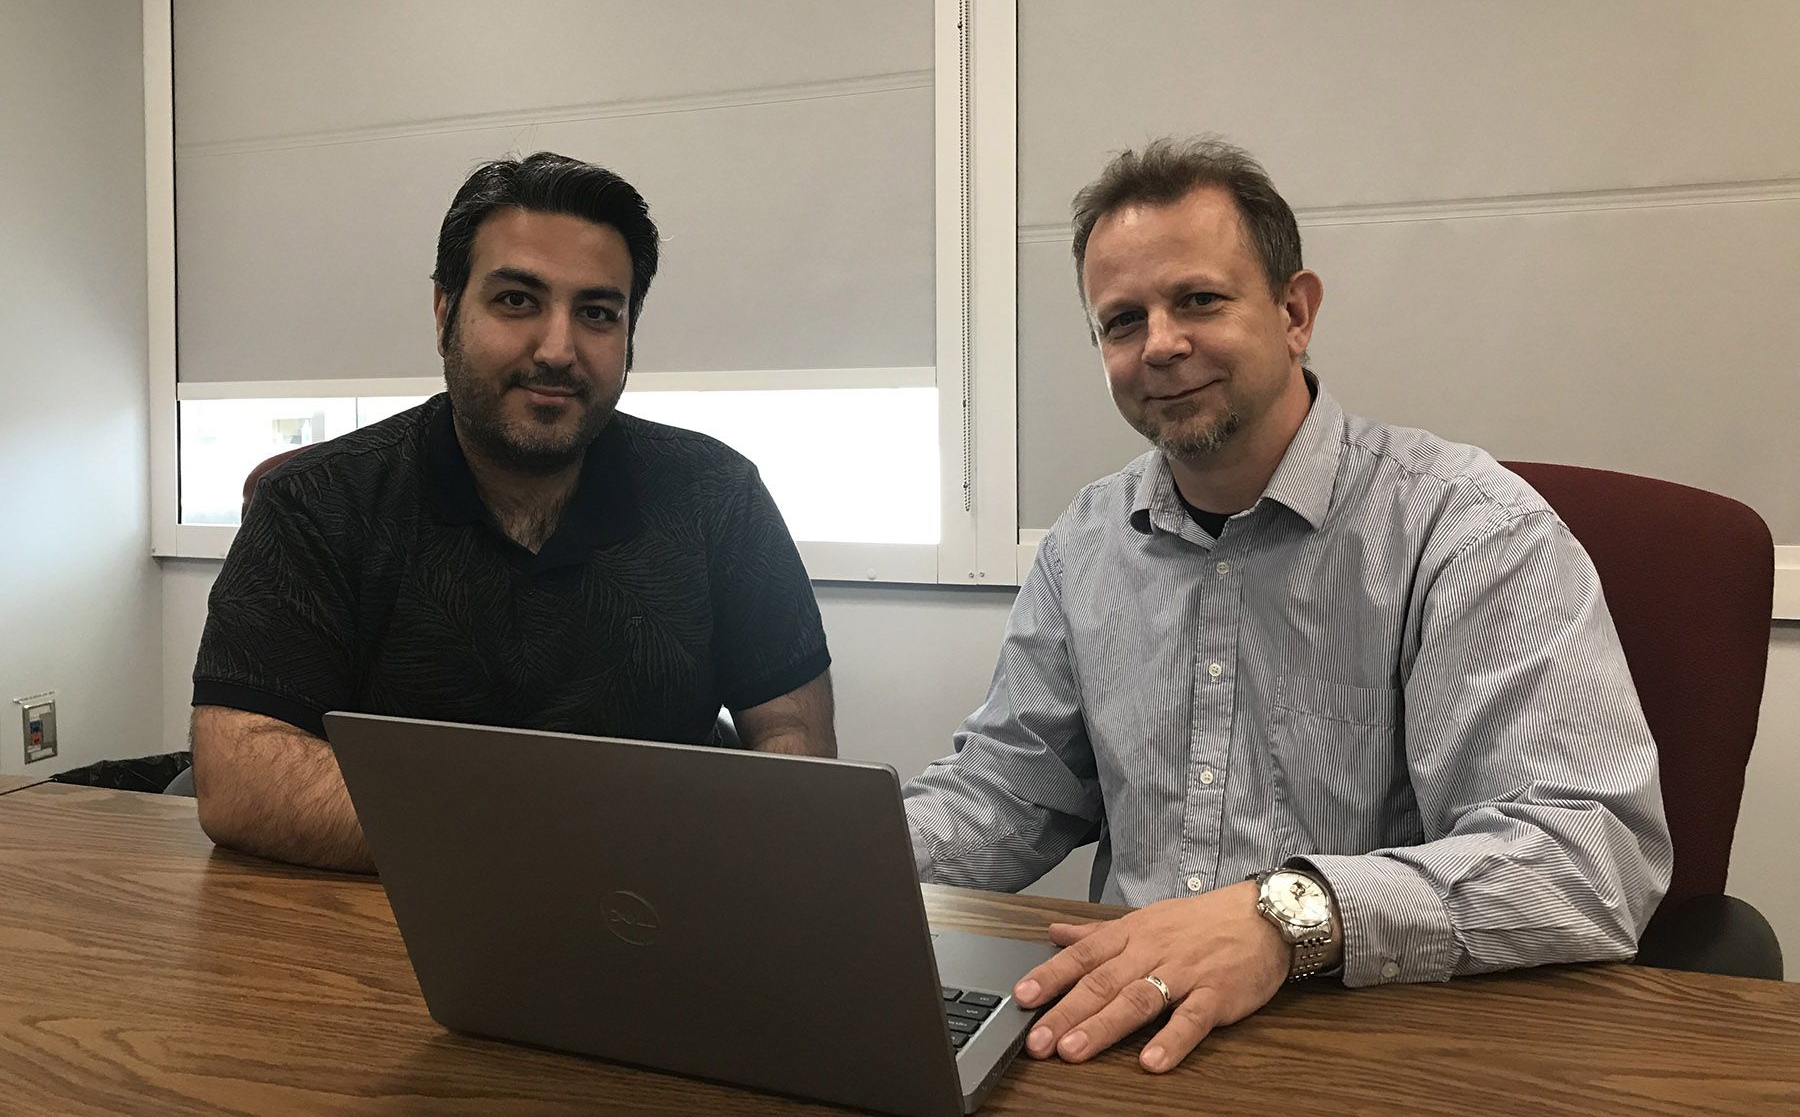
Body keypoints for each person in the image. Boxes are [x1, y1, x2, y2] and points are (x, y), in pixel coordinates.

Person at [902, 137, 1671, 1074]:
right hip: (1117, 1034)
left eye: (1198, 300)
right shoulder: (1085, 544)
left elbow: (1587, 859)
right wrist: (818, 870)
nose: (1162, 344)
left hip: (1372, 1044)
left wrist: (1288, 914)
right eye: (1121, 320)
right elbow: (1006, 792)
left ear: (1295, 311)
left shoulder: (1468, 530)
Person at [192, 152, 835, 872]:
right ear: (445, 314)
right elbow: (238, 775)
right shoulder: (316, 504)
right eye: (517, 301)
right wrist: (557, 844)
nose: (558, 350)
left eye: (597, 312)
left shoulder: (719, 497)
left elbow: (792, 736)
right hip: (371, 933)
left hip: (645, 928)